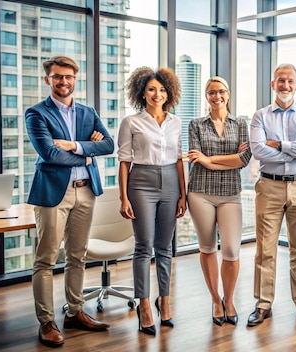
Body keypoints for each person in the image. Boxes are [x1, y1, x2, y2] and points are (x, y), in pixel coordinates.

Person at [26, 55, 114, 347]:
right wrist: (87, 152)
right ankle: (47, 321)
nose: (63, 81)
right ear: (47, 79)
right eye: (57, 76)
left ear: (75, 79)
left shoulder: (88, 112)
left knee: (78, 255)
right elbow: (49, 154)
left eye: (68, 77)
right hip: (54, 192)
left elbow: (108, 145)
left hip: (86, 190)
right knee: (46, 258)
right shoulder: (36, 113)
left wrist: (76, 145)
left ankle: (75, 311)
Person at [248, 63, 296, 326]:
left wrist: (278, 144)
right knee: (265, 249)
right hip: (269, 186)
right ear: (273, 84)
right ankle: (263, 304)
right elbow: (258, 151)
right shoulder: (260, 116)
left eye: (290, 81)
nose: (285, 85)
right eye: (280, 80)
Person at [117, 67, 187, 336]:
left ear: (168, 93)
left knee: (165, 247)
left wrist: (183, 194)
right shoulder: (131, 122)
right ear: (142, 93)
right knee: (144, 246)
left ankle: (164, 300)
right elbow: (124, 161)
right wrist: (124, 197)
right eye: (151, 89)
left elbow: (180, 160)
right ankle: (144, 304)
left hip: (171, 181)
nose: (157, 94)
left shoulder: (176, 122)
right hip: (141, 182)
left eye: (162, 90)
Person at [186, 76, 252, 326]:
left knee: (232, 251)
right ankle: (216, 300)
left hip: (230, 194)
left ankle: (230, 299)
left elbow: (243, 160)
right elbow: (195, 157)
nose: (217, 96)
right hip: (200, 192)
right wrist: (228, 157)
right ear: (206, 96)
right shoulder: (196, 124)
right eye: (212, 92)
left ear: (228, 94)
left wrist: (209, 159)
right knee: (207, 248)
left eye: (221, 91)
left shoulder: (241, 123)